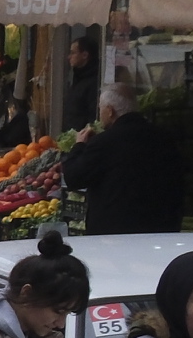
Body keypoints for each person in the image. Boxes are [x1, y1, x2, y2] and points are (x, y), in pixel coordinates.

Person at [58, 84, 182, 234]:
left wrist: (79, 145)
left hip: (114, 234)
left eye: (100, 109)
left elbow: (73, 177)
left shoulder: (104, 143)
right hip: (160, 228)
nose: (99, 114)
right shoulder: (164, 138)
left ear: (110, 111)